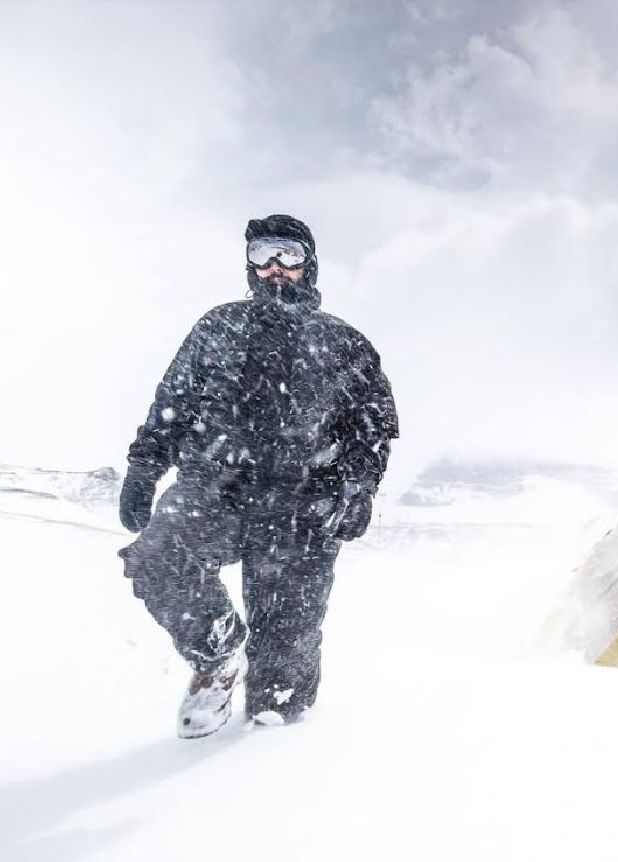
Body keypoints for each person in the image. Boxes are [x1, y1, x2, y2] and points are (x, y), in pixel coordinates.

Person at [118, 215, 399, 738]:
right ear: (249, 264)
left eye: (289, 256)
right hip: (213, 486)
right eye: (263, 255)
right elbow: (171, 403)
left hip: (301, 505)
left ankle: (270, 764)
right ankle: (218, 656)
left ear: (308, 265)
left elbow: (373, 428)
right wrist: (143, 467)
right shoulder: (218, 326)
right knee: (158, 558)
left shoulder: (344, 343)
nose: (275, 268)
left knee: (282, 672)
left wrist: (359, 487)